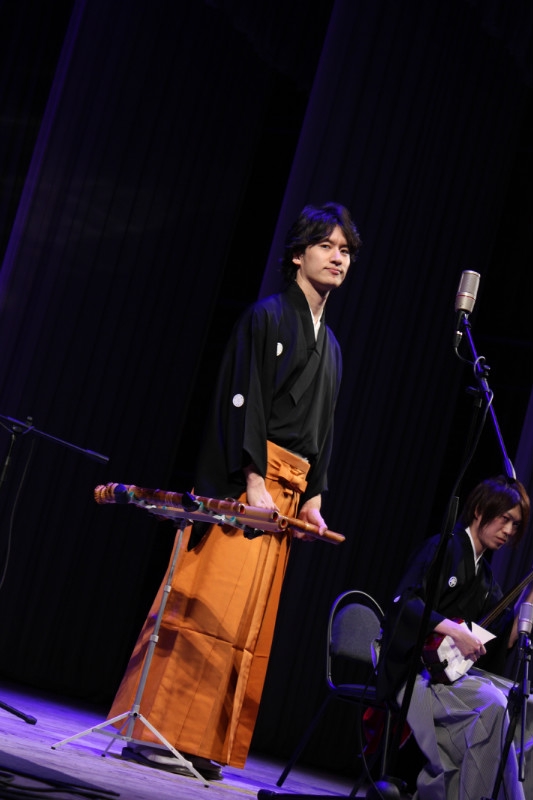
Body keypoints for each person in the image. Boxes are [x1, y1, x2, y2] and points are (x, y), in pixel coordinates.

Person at [108, 202, 362, 779]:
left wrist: (314, 500)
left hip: (288, 495)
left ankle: (205, 745)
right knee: (206, 610)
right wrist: (251, 480)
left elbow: (322, 430)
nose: (338, 257)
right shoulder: (266, 318)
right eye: (326, 246)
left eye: (345, 250)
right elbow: (240, 402)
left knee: (245, 627)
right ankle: (156, 735)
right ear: (297, 254)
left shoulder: (332, 347)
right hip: (250, 488)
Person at [376, 475, 533, 799]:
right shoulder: (443, 547)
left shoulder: (484, 577)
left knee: (525, 704)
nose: (508, 531)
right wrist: (453, 629)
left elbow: (504, 635)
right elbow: (404, 603)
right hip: (415, 672)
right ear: (479, 510)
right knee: (494, 704)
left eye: (515, 525)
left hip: (450, 676)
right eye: (504, 519)